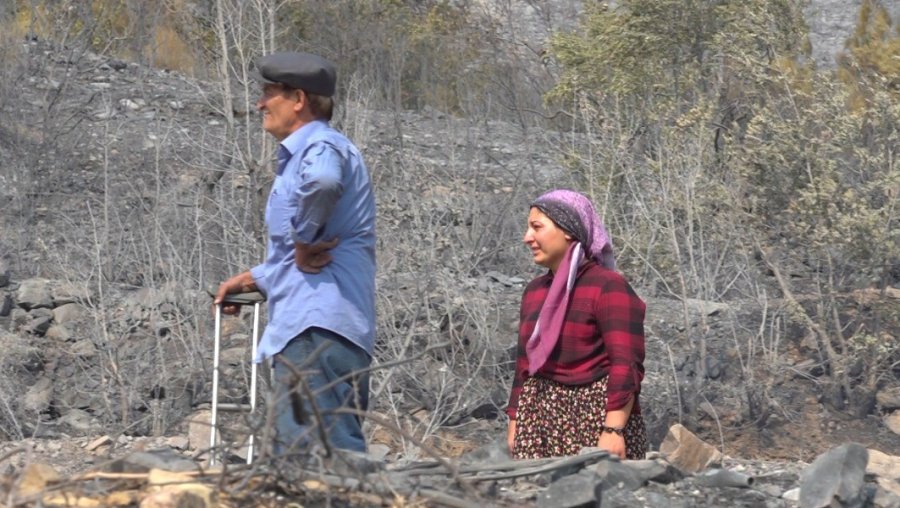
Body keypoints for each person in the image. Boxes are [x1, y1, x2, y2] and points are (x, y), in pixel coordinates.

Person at [214, 51, 376, 455]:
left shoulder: (319, 146)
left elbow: (322, 184)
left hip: (316, 332)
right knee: (315, 460)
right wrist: (257, 279)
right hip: (319, 328)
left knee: (315, 464)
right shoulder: (310, 152)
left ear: (298, 99)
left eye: (269, 93)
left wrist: (302, 239)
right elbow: (302, 254)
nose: (260, 103)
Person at [506, 189, 648, 460]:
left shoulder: (607, 286)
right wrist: (515, 423)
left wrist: (613, 429)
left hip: (595, 420)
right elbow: (524, 367)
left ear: (568, 231)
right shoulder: (535, 291)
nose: (527, 237)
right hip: (537, 422)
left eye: (537, 227)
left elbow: (626, 362)